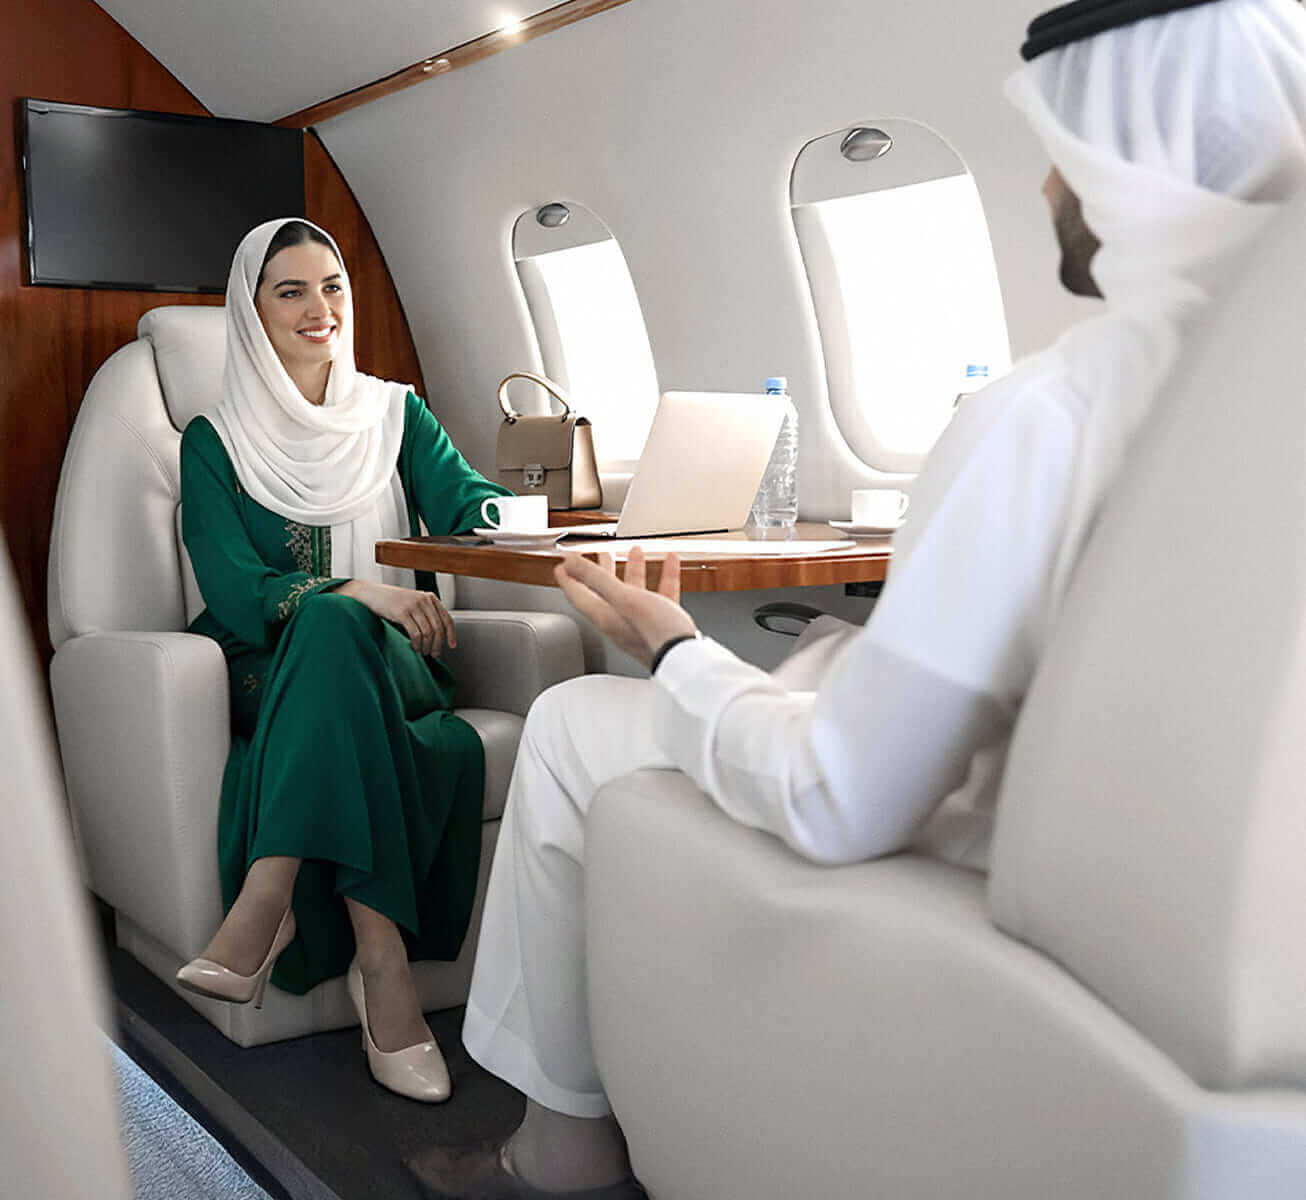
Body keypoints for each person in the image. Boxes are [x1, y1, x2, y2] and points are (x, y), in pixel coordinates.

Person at [405, 0, 1306, 1194]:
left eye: (1057, 154)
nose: (1044, 188)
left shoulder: (1048, 413)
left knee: (575, 720)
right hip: (1189, 890)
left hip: (980, 852)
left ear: (1114, 154)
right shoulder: (1258, 385)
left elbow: (842, 794)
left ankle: (556, 1147)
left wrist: (677, 652)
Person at [175, 218, 514, 1104]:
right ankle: (383, 964)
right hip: (265, 667)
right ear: (251, 312)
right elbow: (237, 586)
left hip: (400, 660)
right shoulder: (213, 439)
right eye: (290, 291)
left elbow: (467, 503)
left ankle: (266, 901)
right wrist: (358, 592)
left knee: (337, 632)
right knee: (327, 625)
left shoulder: (393, 412)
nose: (319, 308)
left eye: (332, 286)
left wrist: (528, 504)